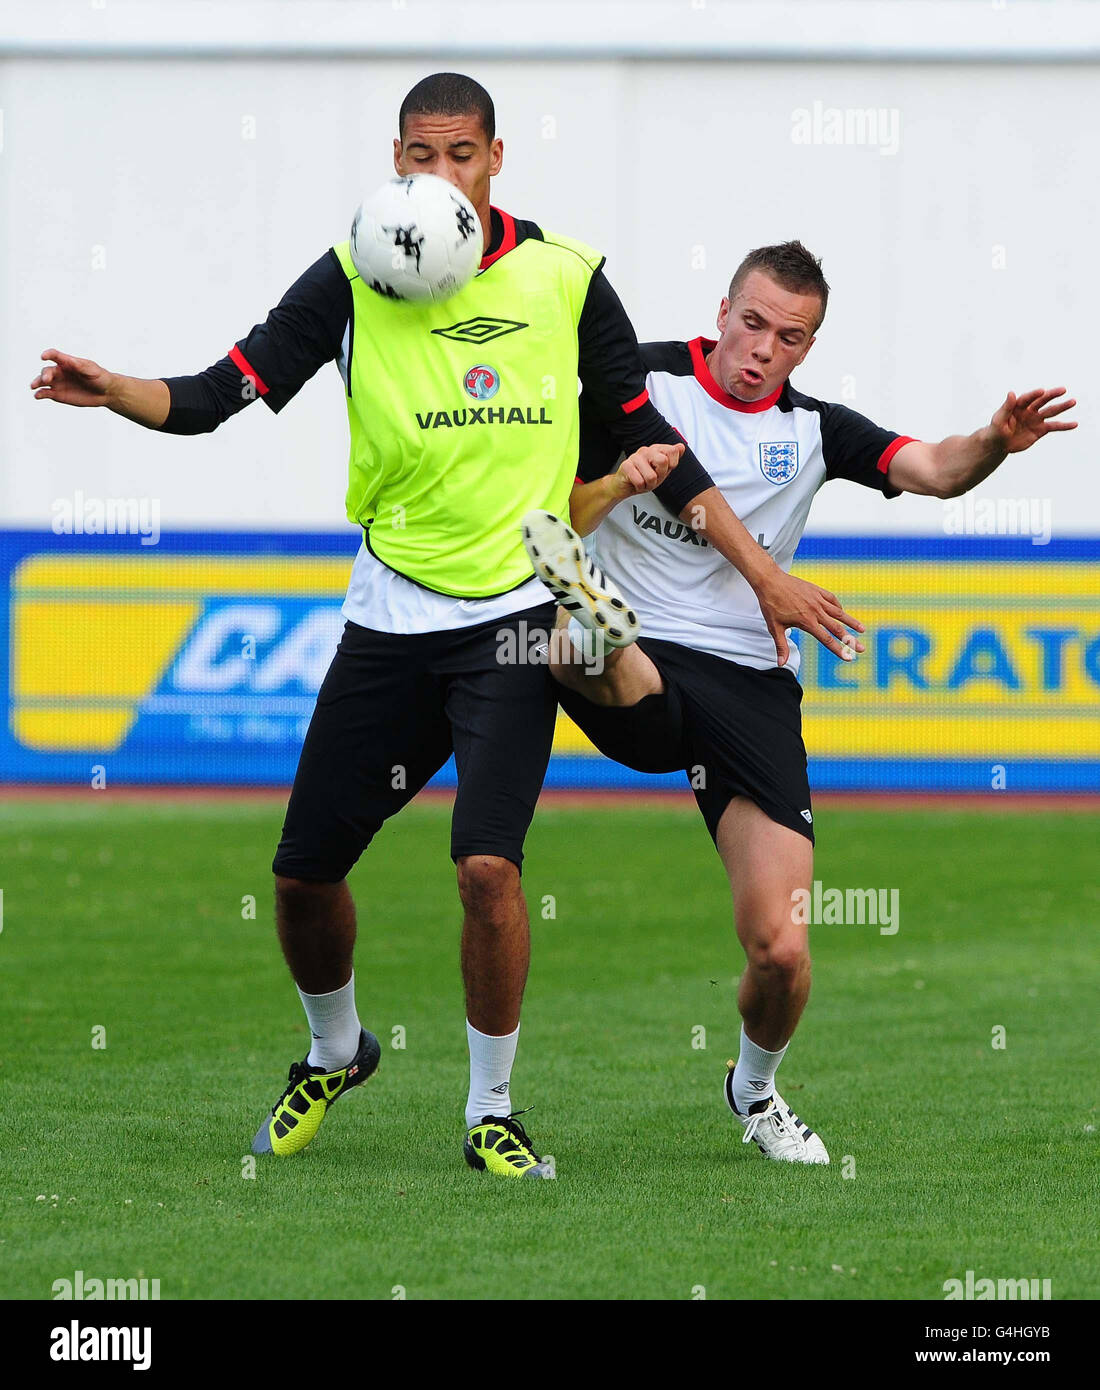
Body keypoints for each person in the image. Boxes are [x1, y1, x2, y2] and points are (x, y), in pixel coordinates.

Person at [29, 78, 855, 1178]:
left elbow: (644, 424)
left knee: (486, 871)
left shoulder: (563, 277)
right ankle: (335, 1047)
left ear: (494, 158)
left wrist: (758, 575)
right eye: (418, 154)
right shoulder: (351, 273)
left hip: (513, 618)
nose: (436, 175)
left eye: (458, 153)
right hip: (388, 614)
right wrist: (114, 389)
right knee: (302, 877)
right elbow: (220, 390)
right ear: (395, 156)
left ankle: (490, 1110)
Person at [522, 240, 1076, 1163]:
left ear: (807, 348)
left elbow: (934, 469)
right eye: (751, 324)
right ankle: (590, 623)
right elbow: (551, 516)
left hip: (749, 681)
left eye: (789, 337)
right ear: (723, 310)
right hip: (648, 653)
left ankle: (754, 1089)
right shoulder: (638, 386)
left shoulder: (816, 431)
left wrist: (995, 442)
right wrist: (621, 483)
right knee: (591, 649)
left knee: (782, 951)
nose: (762, 349)